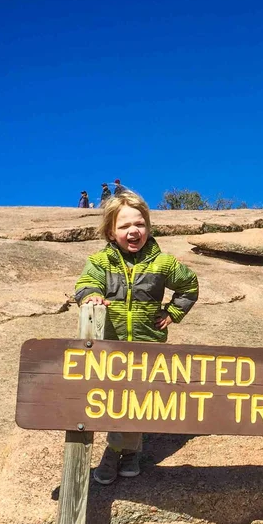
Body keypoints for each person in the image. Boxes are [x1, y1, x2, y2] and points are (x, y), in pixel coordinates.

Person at [74, 191, 199, 485]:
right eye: (125, 226)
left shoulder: (163, 263)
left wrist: (173, 313)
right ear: (110, 232)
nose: (134, 231)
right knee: (118, 399)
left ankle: (115, 451)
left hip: (148, 345)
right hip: (111, 345)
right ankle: (130, 451)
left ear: (149, 227)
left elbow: (189, 286)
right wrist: (92, 296)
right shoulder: (100, 262)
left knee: (136, 399)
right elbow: (85, 284)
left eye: (140, 224)